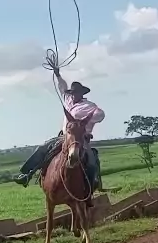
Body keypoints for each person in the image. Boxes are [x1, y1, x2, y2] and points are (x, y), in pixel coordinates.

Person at [15, 68, 105, 196]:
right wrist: (58, 75)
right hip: (64, 137)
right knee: (43, 149)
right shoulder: (68, 100)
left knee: (91, 160)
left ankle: (90, 187)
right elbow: (62, 88)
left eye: (77, 93)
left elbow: (100, 115)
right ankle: (27, 174)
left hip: (80, 139)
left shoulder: (89, 106)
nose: (74, 95)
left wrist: (85, 120)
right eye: (73, 93)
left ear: (82, 94)